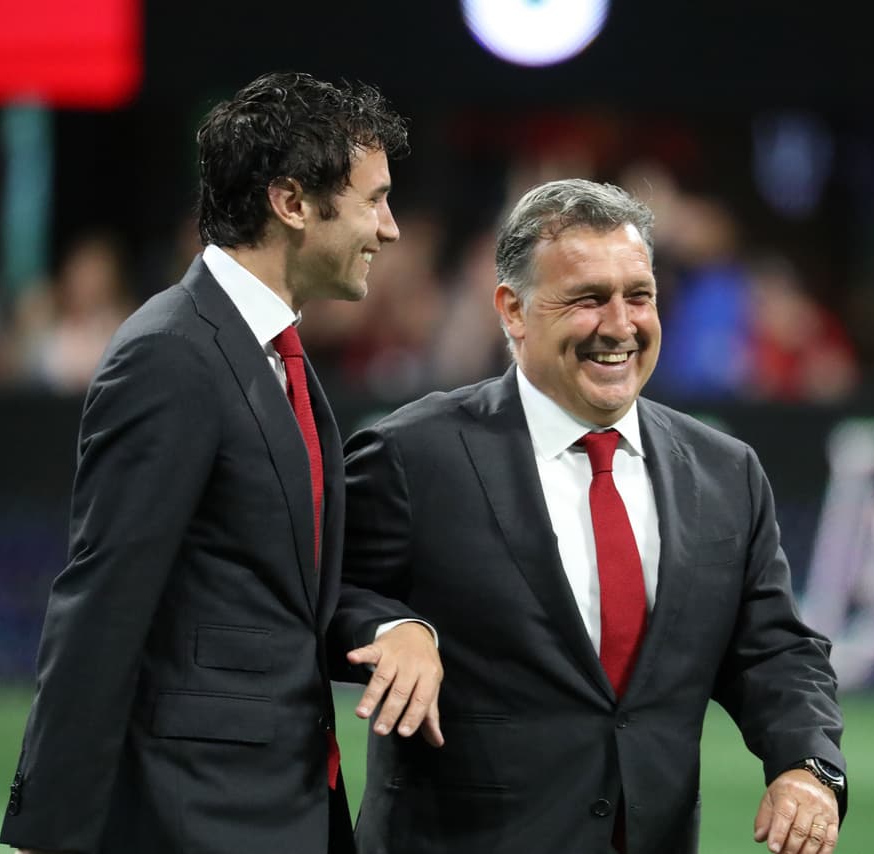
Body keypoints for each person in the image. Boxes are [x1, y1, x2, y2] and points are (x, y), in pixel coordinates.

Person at [0, 72, 443, 854]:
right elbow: (103, 600)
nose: (392, 228)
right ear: (293, 202)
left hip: (286, 804)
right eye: (374, 199)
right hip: (195, 816)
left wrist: (397, 625)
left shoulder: (275, 355)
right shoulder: (172, 353)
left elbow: (283, 595)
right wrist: (56, 832)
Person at [333, 179, 846, 854]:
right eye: (587, 299)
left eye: (639, 296)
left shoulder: (725, 473)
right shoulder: (411, 457)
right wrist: (392, 625)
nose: (621, 325)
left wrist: (806, 766)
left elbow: (774, 649)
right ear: (513, 311)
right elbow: (309, 600)